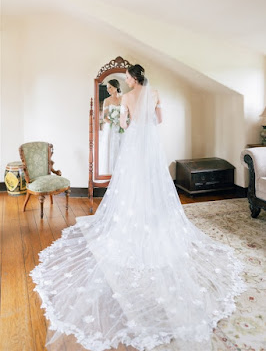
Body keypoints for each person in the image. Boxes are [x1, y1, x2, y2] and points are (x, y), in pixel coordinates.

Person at [30, 64, 246, 351]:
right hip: (151, 143)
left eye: (128, 78)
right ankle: (152, 218)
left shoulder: (128, 98)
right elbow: (159, 120)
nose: (127, 81)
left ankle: (132, 217)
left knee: (130, 182)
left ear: (133, 78)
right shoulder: (154, 92)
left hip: (134, 143)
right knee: (153, 181)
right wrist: (147, 118)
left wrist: (127, 122)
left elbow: (126, 125)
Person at [99, 79, 123, 174]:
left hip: (122, 128)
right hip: (111, 128)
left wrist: (122, 122)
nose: (108, 89)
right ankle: (110, 172)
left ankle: (120, 172)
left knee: (121, 148)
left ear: (116, 87)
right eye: (107, 87)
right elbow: (104, 117)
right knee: (111, 148)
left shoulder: (123, 98)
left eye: (110, 87)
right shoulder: (107, 101)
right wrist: (114, 122)